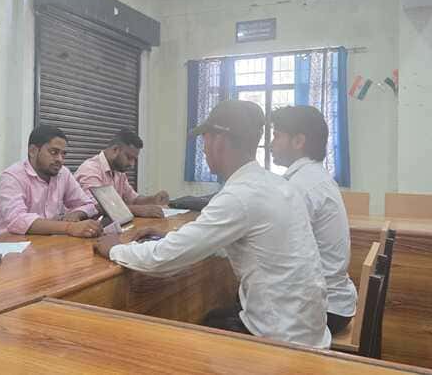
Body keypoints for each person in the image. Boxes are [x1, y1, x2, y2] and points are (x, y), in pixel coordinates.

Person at [94, 100, 330, 349]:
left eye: (204, 140)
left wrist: (115, 248)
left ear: (219, 140)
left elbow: (164, 259)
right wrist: (172, 237)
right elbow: (234, 239)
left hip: (282, 341)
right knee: (213, 317)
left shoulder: (239, 195)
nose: (204, 149)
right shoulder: (277, 184)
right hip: (309, 330)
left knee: (187, 341)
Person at [271, 105, 357, 335]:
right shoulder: (315, 177)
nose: (271, 143)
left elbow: (278, 253)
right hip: (336, 303)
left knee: (223, 318)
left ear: (298, 141)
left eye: (277, 136)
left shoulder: (300, 186)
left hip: (324, 310)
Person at [0, 124, 101, 238]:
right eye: (54, 152)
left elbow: (88, 204)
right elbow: (18, 220)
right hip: (0, 245)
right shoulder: (12, 177)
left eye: (63, 154)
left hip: (39, 243)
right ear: (33, 151)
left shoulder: (63, 174)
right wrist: (69, 227)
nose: (60, 159)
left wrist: (77, 213)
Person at [75, 129, 170, 219]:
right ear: (115, 149)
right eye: (129, 157)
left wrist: (153, 199)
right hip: (84, 227)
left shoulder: (119, 171)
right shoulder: (90, 169)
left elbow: (133, 199)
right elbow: (96, 207)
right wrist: (139, 210)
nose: (132, 164)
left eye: (134, 159)